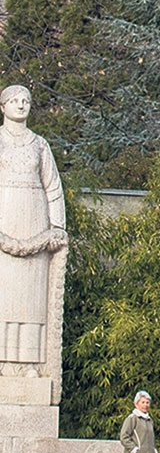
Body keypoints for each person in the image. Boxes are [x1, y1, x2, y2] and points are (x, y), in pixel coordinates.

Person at [0, 84, 66, 365]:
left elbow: (53, 187)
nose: (21, 104)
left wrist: (58, 227)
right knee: (5, 297)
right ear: (3, 106)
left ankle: (30, 365)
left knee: (31, 301)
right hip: (6, 218)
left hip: (35, 225)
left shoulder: (40, 144)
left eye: (26, 100)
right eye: (14, 100)